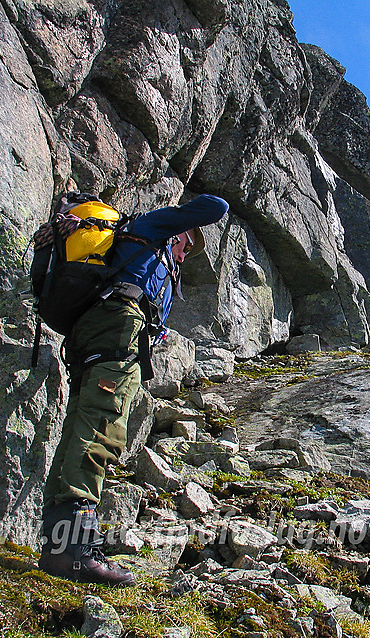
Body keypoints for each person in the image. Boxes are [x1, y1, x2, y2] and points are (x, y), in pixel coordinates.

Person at [38, 191, 228, 586]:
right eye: (187, 243)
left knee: (80, 423)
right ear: (180, 234)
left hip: (92, 331)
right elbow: (217, 207)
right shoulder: (148, 229)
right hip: (118, 329)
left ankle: (59, 546)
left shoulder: (141, 255)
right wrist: (180, 217)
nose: (185, 252)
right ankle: (75, 550)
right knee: (101, 426)